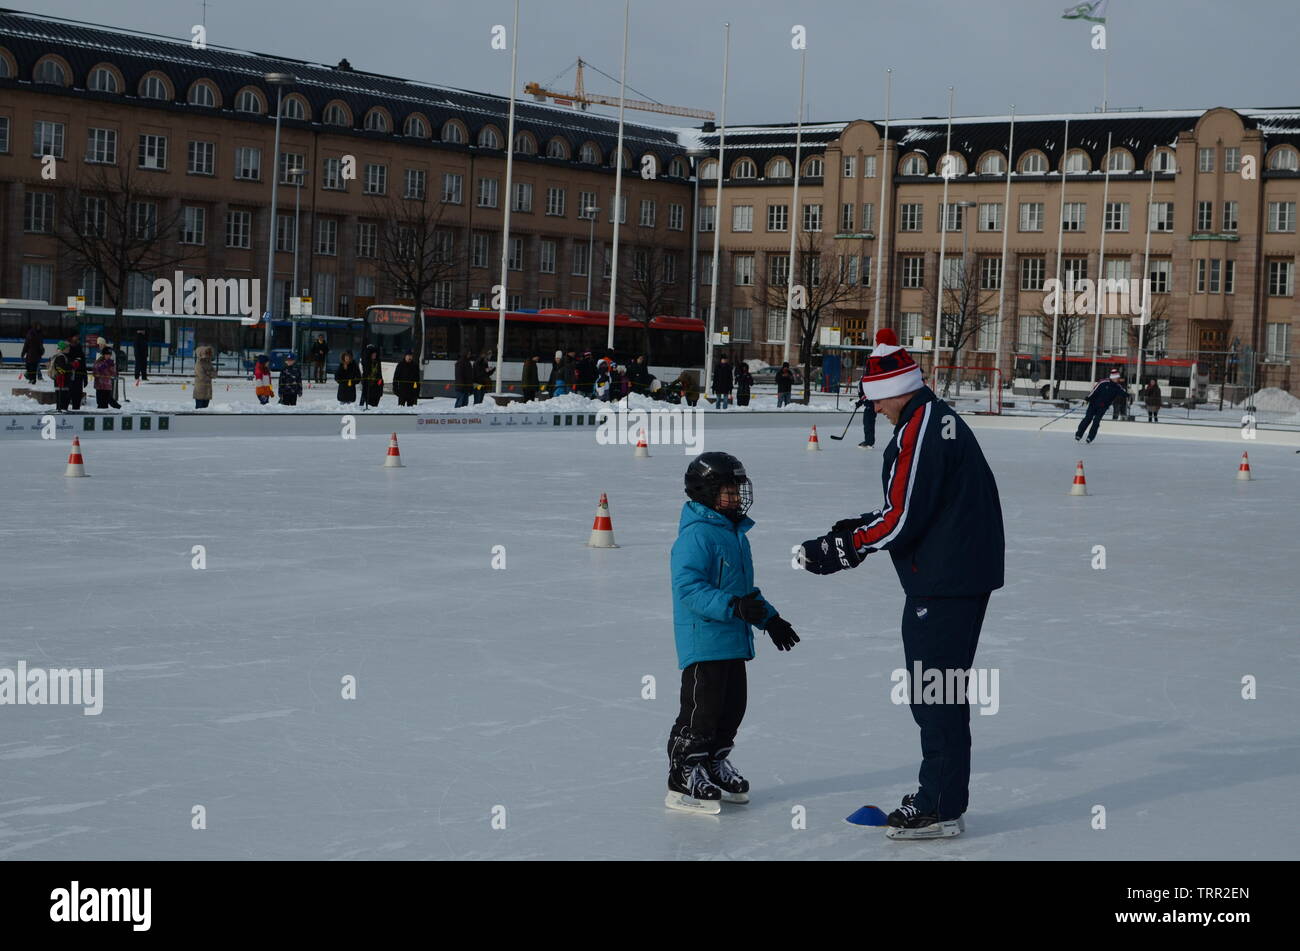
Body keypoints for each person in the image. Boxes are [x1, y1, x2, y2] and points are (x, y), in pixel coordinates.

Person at [798, 334, 1004, 839]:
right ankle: (942, 794)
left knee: (935, 695)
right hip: (952, 575)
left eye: (875, 398)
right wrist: (862, 524)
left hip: (945, 582)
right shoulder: (931, 420)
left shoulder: (922, 428)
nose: (876, 409)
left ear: (895, 389)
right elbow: (915, 508)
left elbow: (904, 517)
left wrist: (845, 548)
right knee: (939, 692)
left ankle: (938, 806)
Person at [666, 452, 801, 813]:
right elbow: (689, 589)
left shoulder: (735, 535)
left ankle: (713, 763)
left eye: (738, 490)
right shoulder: (697, 537)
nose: (737, 497)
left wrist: (769, 619)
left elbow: (744, 591)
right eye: (729, 490)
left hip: (733, 641)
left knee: (731, 710)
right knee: (701, 712)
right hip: (705, 640)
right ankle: (684, 772)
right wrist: (732, 608)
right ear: (706, 492)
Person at [1075, 369, 1127, 444]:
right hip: (1093, 404)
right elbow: (1094, 391)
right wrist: (1087, 399)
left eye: (1118, 378)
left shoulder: (1118, 387)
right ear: (1112, 377)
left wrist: (1129, 395)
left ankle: (1090, 437)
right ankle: (1079, 434)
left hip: (1103, 407)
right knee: (1087, 419)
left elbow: (1124, 393)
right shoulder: (1103, 382)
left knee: (1096, 422)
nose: (1117, 379)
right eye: (1116, 378)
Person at [49, 341, 71, 412]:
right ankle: (61, 413)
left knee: (61, 399)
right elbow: (62, 368)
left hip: (60, 381)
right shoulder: (61, 357)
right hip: (61, 381)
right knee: (62, 400)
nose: (69, 348)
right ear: (63, 348)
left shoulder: (59, 355)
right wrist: (72, 365)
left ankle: (61, 410)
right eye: (67, 347)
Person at [67, 336, 87, 410]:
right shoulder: (69, 351)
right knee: (72, 395)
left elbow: (83, 366)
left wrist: (85, 378)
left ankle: (75, 410)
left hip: (78, 376)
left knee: (76, 396)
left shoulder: (79, 350)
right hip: (73, 376)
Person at [193, 345, 216, 409]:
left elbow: (215, 374)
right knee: (199, 409)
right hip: (200, 390)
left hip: (208, 390)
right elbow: (202, 376)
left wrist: (208, 373)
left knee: (206, 409)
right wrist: (210, 374)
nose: (208, 354)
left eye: (209, 353)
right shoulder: (199, 363)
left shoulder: (209, 362)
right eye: (207, 353)